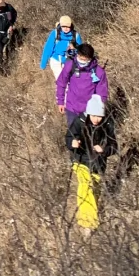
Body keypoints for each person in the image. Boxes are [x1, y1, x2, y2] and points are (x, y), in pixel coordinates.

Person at [66, 94, 117, 231]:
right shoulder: (79, 121)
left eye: (99, 116)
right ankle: (88, 224)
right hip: (80, 160)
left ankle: (89, 215)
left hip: (98, 164)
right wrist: (73, 143)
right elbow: (69, 136)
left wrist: (104, 150)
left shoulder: (107, 124)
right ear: (88, 113)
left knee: (95, 191)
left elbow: (114, 146)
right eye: (93, 115)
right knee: (85, 186)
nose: (96, 119)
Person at [56, 42, 108, 120]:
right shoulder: (70, 65)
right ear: (77, 55)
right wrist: (60, 102)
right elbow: (61, 83)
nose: (82, 61)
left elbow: (102, 93)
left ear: (91, 58)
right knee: (73, 131)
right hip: (72, 108)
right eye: (80, 58)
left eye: (85, 59)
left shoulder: (99, 72)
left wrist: (98, 111)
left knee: (87, 132)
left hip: (90, 111)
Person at [39, 15, 82, 80]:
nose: (65, 28)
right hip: (55, 60)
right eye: (63, 26)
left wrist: (73, 50)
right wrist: (43, 63)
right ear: (60, 25)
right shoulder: (55, 33)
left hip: (69, 60)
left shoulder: (75, 35)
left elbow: (80, 50)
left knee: (71, 81)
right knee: (61, 81)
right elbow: (48, 48)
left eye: (67, 26)